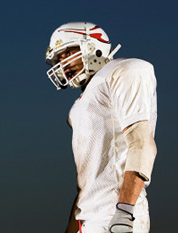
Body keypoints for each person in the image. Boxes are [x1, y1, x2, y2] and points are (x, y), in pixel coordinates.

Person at [45, 22, 157, 233]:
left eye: (67, 52)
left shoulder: (124, 70)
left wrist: (125, 210)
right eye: (58, 58)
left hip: (115, 213)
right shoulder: (82, 101)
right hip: (90, 218)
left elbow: (142, 143)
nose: (63, 63)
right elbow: (90, 181)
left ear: (92, 46)